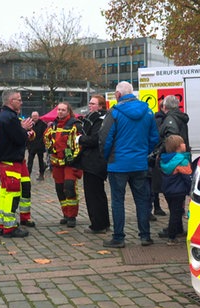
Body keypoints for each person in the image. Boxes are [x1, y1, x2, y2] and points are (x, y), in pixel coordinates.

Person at [98, 81, 159, 248]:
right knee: (142, 200)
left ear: (118, 95)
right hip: (140, 164)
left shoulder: (114, 113)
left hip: (118, 164)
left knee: (118, 201)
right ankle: (145, 236)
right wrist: (144, 154)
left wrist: (106, 157)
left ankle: (119, 238)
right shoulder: (147, 111)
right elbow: (154, 138)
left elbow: (105, 139)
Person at [0, 90, 36, 237]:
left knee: (4, 194)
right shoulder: (10, 118)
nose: (21, 102)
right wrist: (24, 130)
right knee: (12, 194)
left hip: (4, 161)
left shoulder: (0, 117)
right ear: (11, 101)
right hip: (10, 162)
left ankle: (2, 224)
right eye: (19, 99)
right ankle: (9, 228)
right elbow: (18, 138)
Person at [73, 95, 110, 234]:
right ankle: (102, 222)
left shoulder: (99, 120)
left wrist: (80, 139)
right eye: (89, 103)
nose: (90, 105)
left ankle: (98, 224)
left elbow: (95, 139)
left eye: (93, 103)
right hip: (94, 161)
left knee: (93, 195)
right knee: (97, 194)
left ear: (100, 106)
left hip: (95, 162)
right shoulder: (96, 119)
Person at [156, 95, 191, 239]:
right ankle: (177, 228)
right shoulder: (179, 117)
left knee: (174, 205)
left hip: (175, 161)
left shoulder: (170, 120)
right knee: (177, 204)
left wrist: (160, 153)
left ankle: (173, 231)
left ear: (165, 107)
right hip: (181, 159)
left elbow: (171, 140)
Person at [43, 102, 83, 228]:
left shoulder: (75, 125)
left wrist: (72, 155)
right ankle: (65, 214)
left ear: (68, 111)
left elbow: (79, 142)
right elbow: (46, 137)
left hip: (71, 163)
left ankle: (72, 216)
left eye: (63, 110)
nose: (60, 112)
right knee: (60, 189)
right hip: (57, 162)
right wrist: (51, 149)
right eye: (59, 109)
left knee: (69, 186)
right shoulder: (53, 125)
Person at [159, 135, 192, 245]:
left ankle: (178, 230)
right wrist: (191, 190)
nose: (185, 145)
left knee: (173, 210)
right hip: (179, 191)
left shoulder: (165, 160)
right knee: (175, 213)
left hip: (168, 191)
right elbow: (187, 177)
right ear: (178, 147)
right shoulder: (182, 161)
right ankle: (172, 237)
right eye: (183, 143)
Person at [27, 111, 48, 181]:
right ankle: (28, 175)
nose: (34, 117)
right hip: (31, 146)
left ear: (38, 116)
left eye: (36, 116)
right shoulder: (29, 124)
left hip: (40, 146)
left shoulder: (43, 124)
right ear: (31, 117)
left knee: (41, 161)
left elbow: (44, 135)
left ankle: (41, 175)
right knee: (30, 161)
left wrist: (41, 143)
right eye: (33, 116)